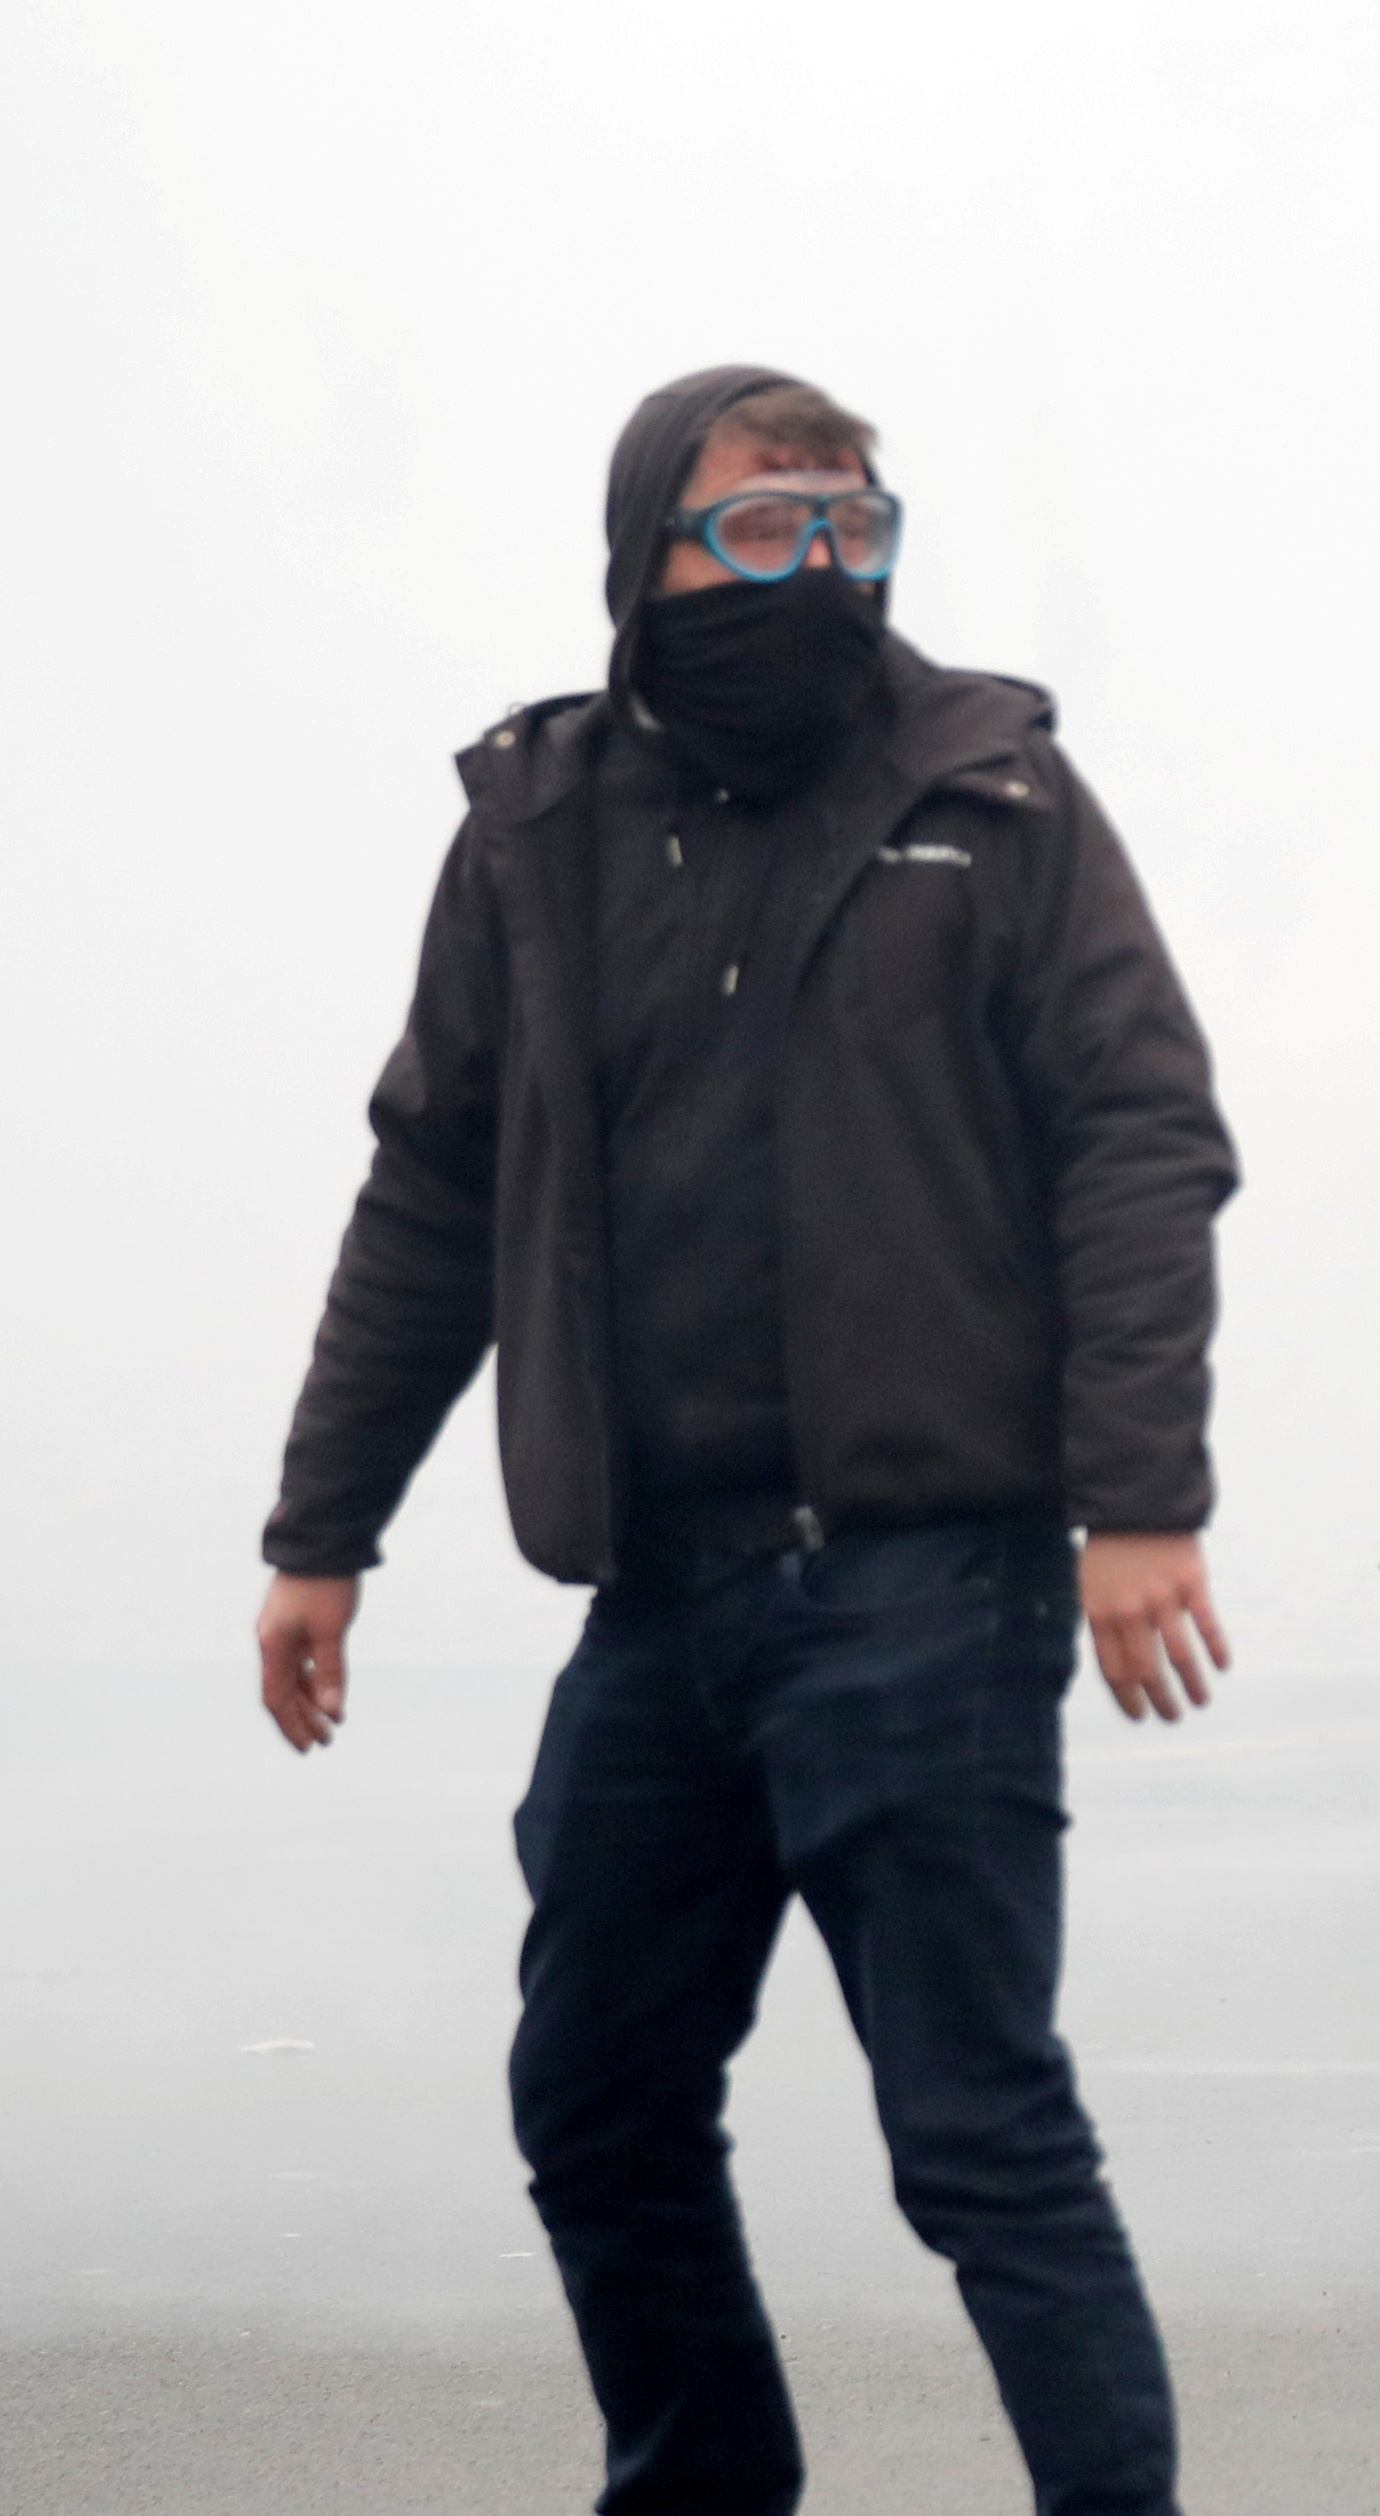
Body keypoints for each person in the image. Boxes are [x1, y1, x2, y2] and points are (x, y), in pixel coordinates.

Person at [250, 365, 1238, 2516]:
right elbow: (432, 1180)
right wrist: (322, 1529)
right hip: (657, 1598)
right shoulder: (542, 830)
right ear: (648, 561)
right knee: (593, 2096)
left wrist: (1139, 1494)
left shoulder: (992, 800)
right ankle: (700, 2488)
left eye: (854, 531)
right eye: (765, 532)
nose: (820, 576)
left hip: (924, 1583)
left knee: (976, 2132)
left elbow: (1139, 1135)